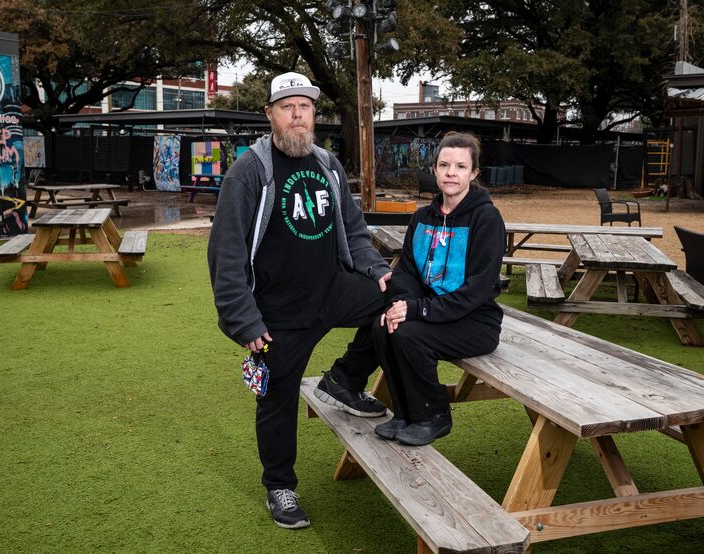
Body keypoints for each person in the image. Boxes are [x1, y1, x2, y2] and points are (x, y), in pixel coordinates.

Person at [207, 71, 392, 530]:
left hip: (331, 290)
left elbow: (353, 229)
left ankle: (344, 380)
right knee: (276, 398)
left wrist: (377, 270)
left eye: (304, 107)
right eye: (287, 106)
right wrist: (244, 320)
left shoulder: (326, 163)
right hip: (280, 312)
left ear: (314, 115)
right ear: (270, 114)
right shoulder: (249, 171)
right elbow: (226, 252)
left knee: (394, 304)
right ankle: (280, 485)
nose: (297, 115)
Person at [372, 132, 506, 447]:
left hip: (475, 320)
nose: (451, 172)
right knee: (381, 328)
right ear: (434, 169)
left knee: (409, 335)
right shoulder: (422, 217)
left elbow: (478, 289)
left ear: (473, 173)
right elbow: (405, 270)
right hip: (434, 311)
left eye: (460, 166)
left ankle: (434, 415)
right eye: (444, 164)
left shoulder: (486, 219)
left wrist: (417, 310)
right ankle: (404, 413)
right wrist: (402, 304)